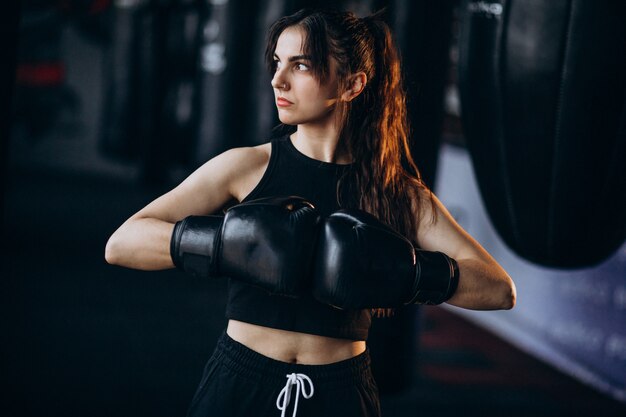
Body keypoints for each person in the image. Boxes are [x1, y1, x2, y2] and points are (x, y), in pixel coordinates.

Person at [105, 8, 516, 417]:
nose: (277, 80)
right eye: (277, 62)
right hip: (240, 381)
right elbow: (121, 244)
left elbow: (499, 289)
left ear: (353, 84)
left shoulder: (395, 192)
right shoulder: (245, 167)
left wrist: (409, 275)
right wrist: (223, 245)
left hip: (340, 391)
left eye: (300, 65)